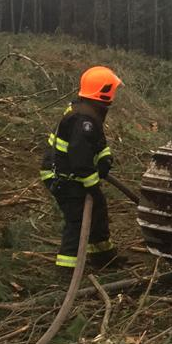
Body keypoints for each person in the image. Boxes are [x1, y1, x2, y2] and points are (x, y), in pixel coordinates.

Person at [39, 66, 124, 273]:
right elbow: (80, 158)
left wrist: (105, 159)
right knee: (77, 221)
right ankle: (68, 269)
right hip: (63, 177)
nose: (114, 94)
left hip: (73, 174)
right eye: (112, 89)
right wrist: (93, 185)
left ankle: (102, 256)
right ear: (103, 91)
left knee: (98, 209)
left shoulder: (88, 110)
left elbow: (96, 143)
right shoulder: (83, 119)